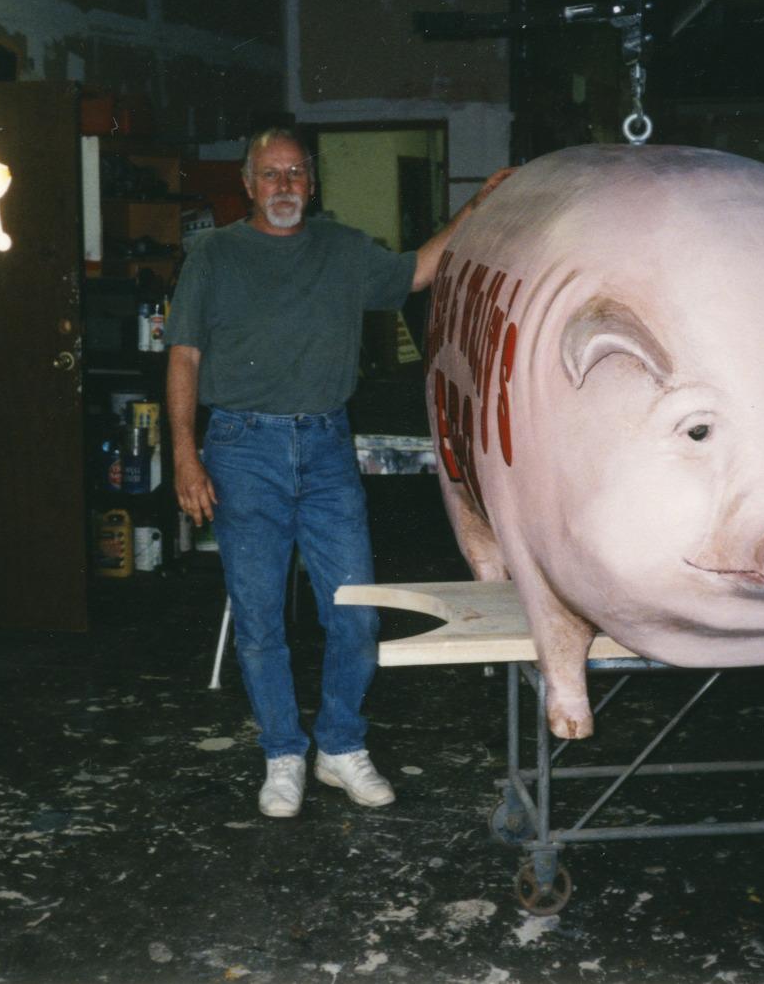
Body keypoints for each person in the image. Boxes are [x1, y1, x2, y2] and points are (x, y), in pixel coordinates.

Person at [164, 128, 509, 818]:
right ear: (248, 184)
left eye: (295, 173)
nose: (284, 185)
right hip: (241, 447)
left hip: (325, 447)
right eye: (270, 174)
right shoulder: (214, 255)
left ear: (312, 183)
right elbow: (184, 356)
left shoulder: (343, 248)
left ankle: (341, 745)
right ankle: (282, 754)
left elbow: (417, 270)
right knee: (259, 618)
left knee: (355, 612)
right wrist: (182, 451)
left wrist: (476, 208)